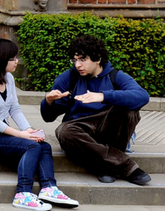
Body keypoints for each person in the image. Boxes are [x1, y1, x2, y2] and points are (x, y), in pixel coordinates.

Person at [0, 39, 78, 211]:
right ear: (0, 58)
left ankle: (49, 188)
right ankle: (23, 193)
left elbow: (14, 108)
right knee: (31, 146)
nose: (17, 61)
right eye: (12, 58)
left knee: (43, 145)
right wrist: (21, 135)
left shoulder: (8, 78)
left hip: (1, 133)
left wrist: (28, 130)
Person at [41, 34, 150, 185]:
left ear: (97, 59)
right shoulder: (69, 78)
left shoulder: (115, 76)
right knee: (63, 131)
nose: (77, 65)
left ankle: (106, 164)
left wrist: (103, 96)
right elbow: (48, 117)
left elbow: (142, 96)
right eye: (75, 60)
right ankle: (125, 166)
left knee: (130, 110)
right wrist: (48, 102)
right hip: (81, 129)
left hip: (109, 129)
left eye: (83, 60)